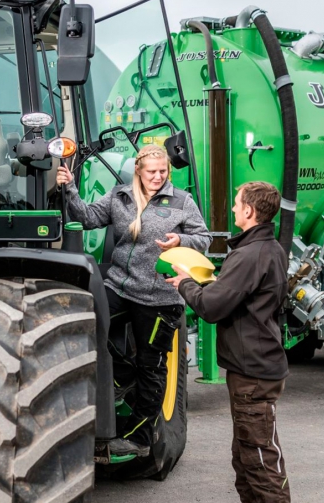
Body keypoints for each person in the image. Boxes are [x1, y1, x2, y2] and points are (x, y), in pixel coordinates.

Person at [57, 144, 211, 457]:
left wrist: (181, 239)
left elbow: (204, 239)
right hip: (120, 286)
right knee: (87, 321)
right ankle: (123, 374)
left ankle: (141, 439)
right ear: (138, 171)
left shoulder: (181, 201)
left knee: (151, 366)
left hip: (160, 296)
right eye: (151, 172)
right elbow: (86, 218)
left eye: (163, 172)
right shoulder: (119, 197)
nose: (158, 177)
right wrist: (69, 187)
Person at [167, 181, 291, 502]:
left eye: (237, 204)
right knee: (246, 458)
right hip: (255, 365)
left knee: (260, 461)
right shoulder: (268, 249)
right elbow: (235, 295)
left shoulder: (250, 255)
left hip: (253, 372)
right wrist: (209, 281)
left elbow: (211, 307)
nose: (234, 208)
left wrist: (185, 282)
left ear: (249, 211)